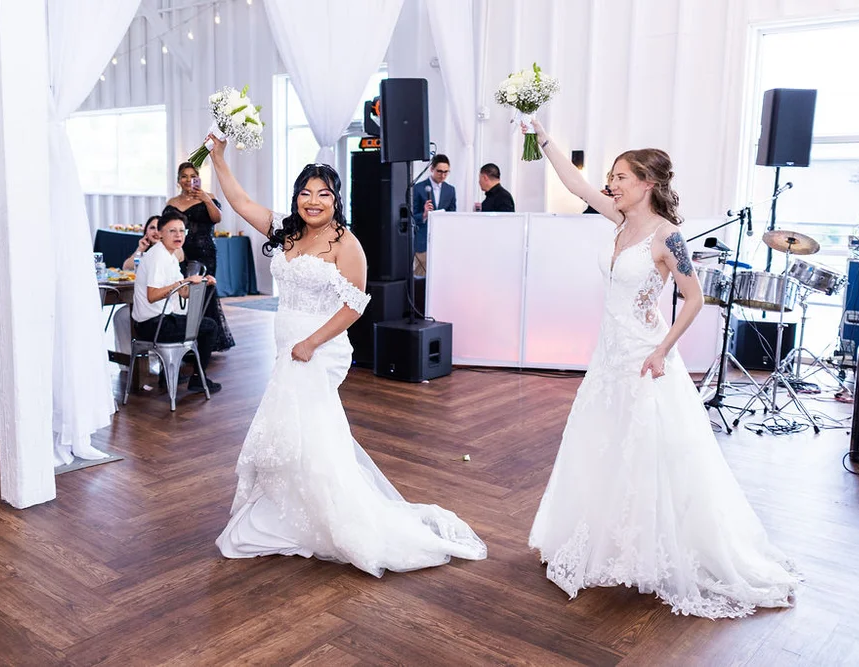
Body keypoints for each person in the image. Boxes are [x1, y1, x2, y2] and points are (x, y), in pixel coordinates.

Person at [524, 119, 798, 619]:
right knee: (604, 444)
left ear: (647, 183)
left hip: (644, 357)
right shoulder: (619, 220)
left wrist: (662, 350)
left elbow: (692, 299)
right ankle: (604, 540)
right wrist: (541, 135)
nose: (611, 184)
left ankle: (653, 548)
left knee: (649, 451)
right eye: (612, 176)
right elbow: (575, 182)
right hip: (607, 356)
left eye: (621, 177)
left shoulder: (668, 237)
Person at [206, 136, 486, 574]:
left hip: (317, 348)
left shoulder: (345, 243)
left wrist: (312, 342)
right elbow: (239, 200)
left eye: (323, 194)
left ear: (336, 201)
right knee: (295, 429)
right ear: (296, 197)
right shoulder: (285, 231)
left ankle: (334, 517)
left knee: (309, 429)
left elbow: (355, 304)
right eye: (305, 193)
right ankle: (292, 509)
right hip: (288, 346)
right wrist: (219, 158)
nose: (313, 201)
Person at [132, 209, 221, 394]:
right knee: (210, 327)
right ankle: (197, 379)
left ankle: (188, 376)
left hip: (161, 320)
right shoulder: (158, 256)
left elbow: (184, 293)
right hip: (152, 325)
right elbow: (153, 295)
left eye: (182, 231)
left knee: (207, 325)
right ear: (161, 233)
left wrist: (203, 283)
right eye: (172, 231)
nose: (178, 235)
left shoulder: (170, 255)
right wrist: (185, 281)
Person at [163, 162, 234, 352]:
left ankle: (205, 339)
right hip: (178, 253)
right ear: (178, 180)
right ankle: (182, 336)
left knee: (201, 294)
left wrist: (205, 199)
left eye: (192, 176)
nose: (188, 180)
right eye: (184, 176)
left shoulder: (208, 197)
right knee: (181, 289)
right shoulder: (172, 202)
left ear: (198, 178)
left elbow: (217, 218)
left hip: (204, 252)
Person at [411, 154, 456, 276]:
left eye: (446, 172)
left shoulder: (450, 190)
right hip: (422, 241)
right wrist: (424, 215)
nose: (443, 175)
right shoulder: (418, 188)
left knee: (441, 276)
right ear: (432, 169)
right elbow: (411, 217)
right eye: (440, 171)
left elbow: (453, 216)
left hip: (442, 241)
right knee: (420, 277)